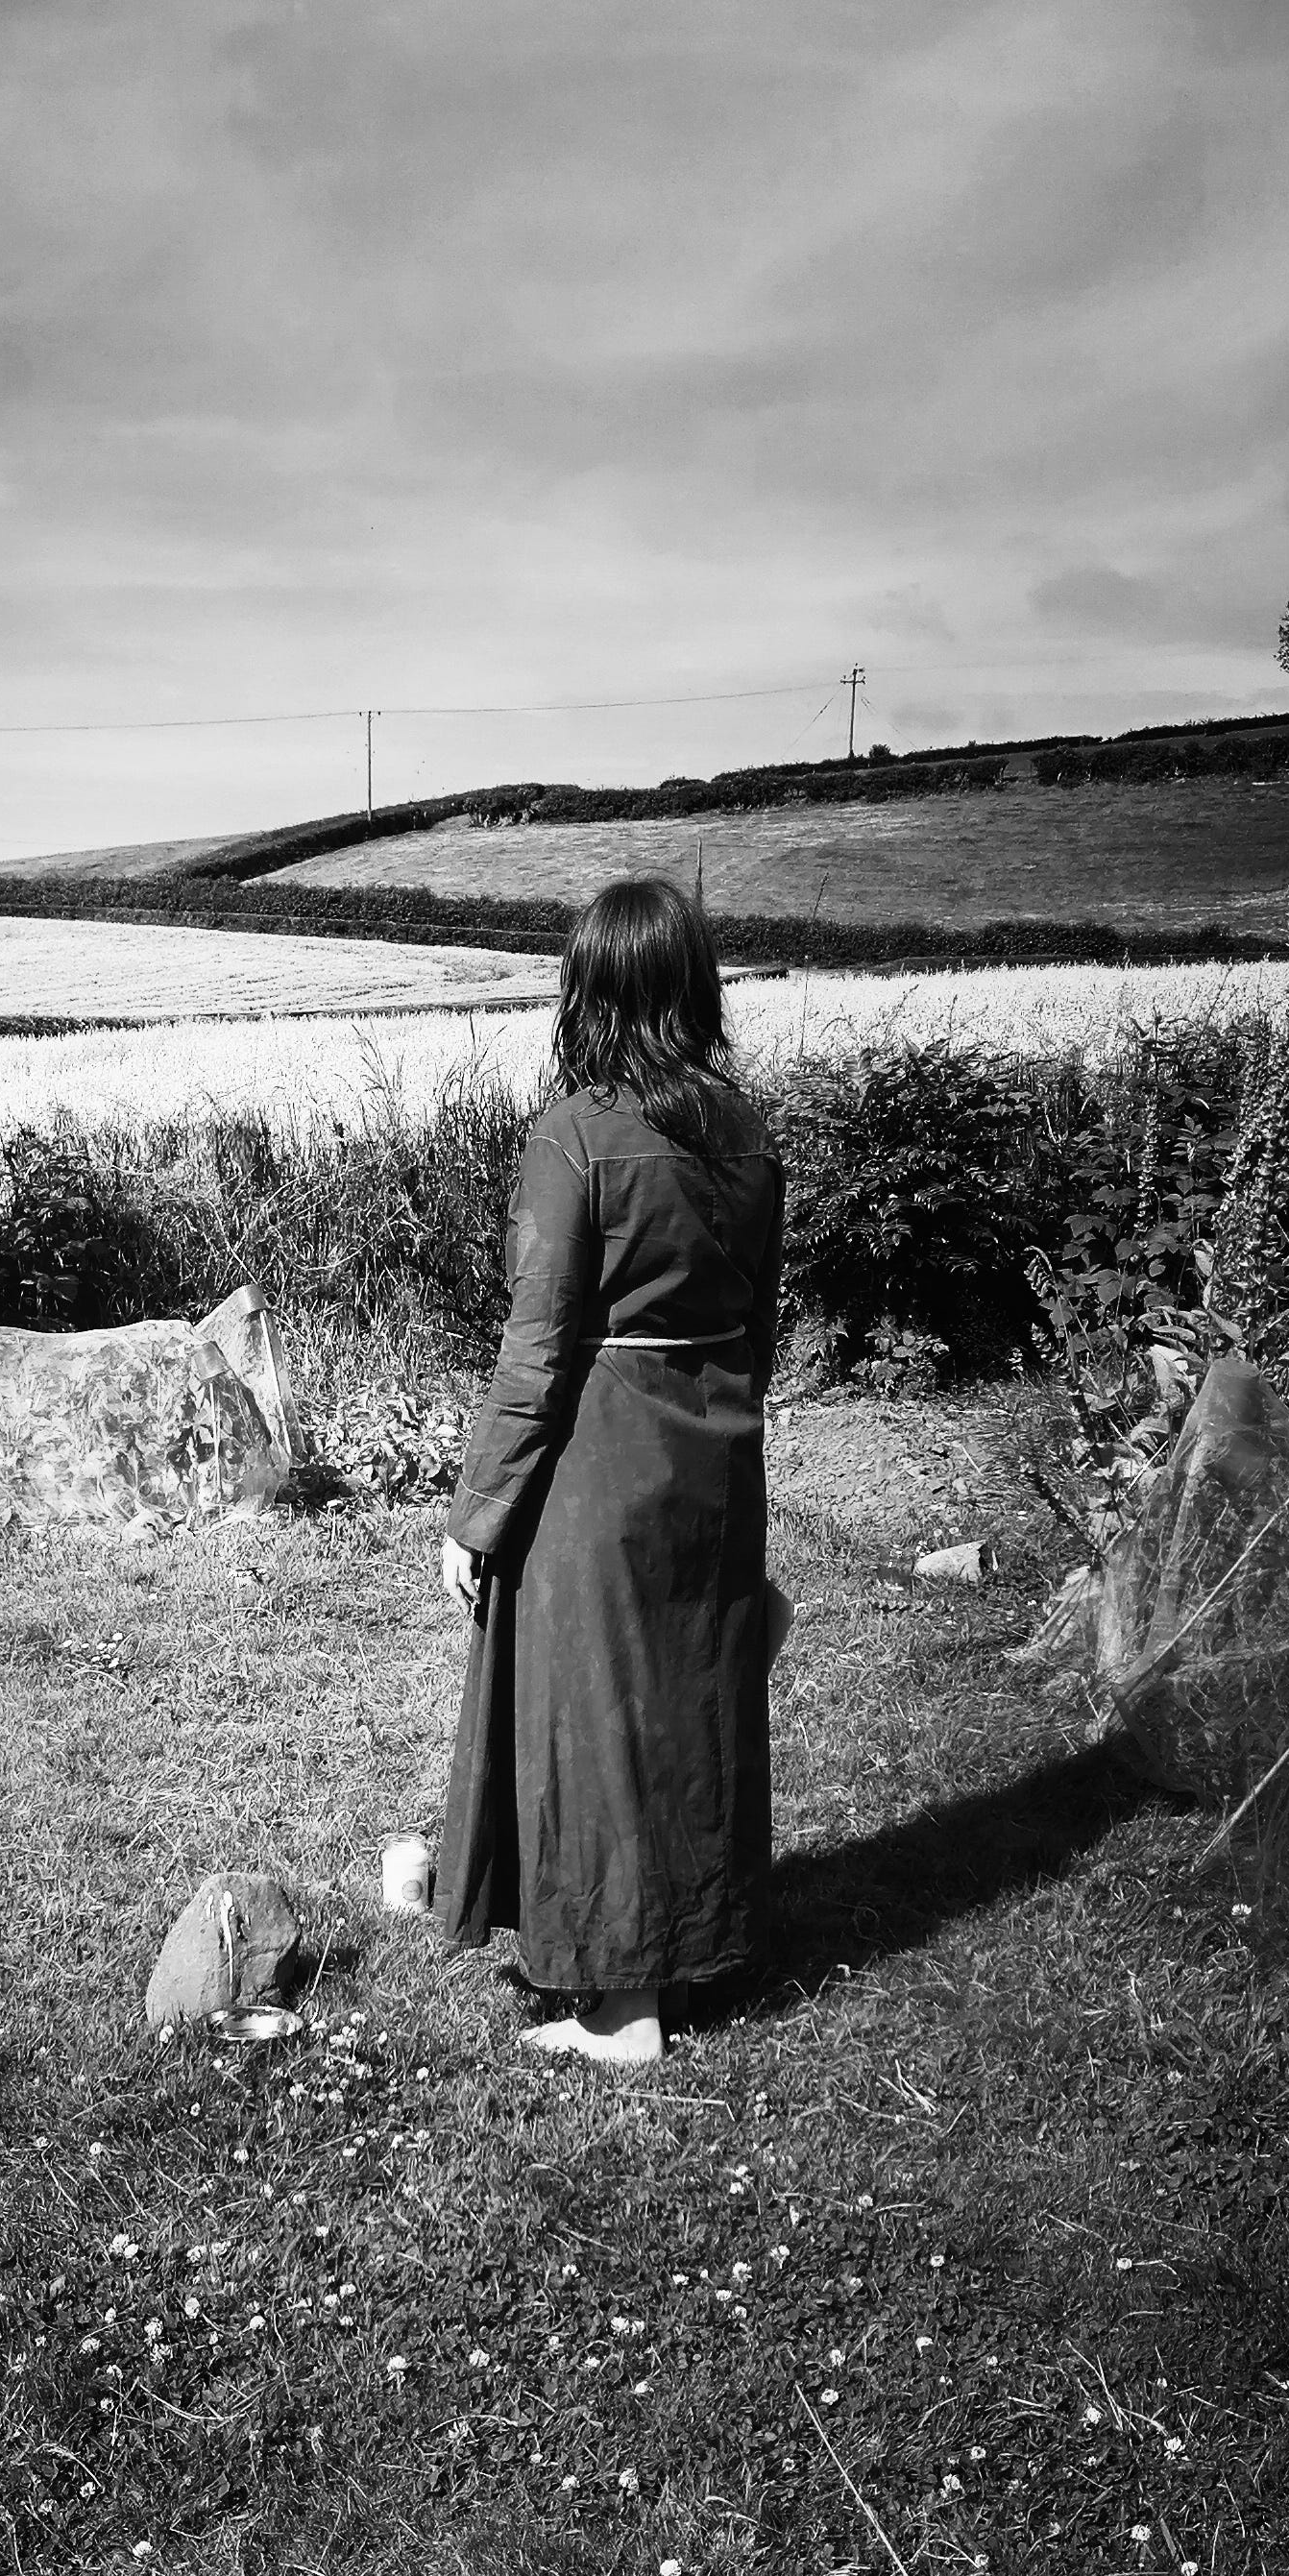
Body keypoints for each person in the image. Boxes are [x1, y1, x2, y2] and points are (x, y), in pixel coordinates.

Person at [437, 875, 785, 2066]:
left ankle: (621, 2007)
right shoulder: (745, 1132)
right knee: (691, 1702)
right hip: (715, 1450)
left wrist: (478, 1516)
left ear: (590, 989)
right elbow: (760, 1330)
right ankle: (693, 1952)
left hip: (602, 1453)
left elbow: (537, 1345)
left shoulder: (573, 1135)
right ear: (691, 986)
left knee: (595, 1724)